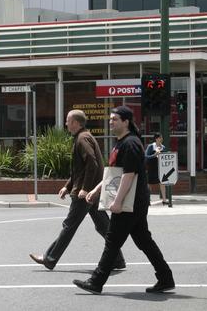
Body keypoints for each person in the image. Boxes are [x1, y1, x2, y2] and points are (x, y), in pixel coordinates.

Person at [73, 106, 174, 294]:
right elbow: (114, 174)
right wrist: (96, 189)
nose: (111, 122)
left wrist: (118, 202)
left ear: (126, 122)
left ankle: (96, 281)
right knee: (143, 240)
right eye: (110, 119)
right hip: (132, 200)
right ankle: (166, 278)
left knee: (113, 240)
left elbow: (129, 175)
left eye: (115, 119)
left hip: (132, 201)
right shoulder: (120, 143)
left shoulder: (131, 143)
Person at [29, 110, 126, 270]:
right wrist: (67, 186)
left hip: (85, 193)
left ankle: (49, 258)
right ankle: (117, 260)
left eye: (68, 120)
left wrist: (85, 189)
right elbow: (79, 170)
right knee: (103, 226)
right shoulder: (82, 137)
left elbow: (92, 164)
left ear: (76, 123)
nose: (66, 123)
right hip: (90, 193)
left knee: (69, 226)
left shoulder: (82, 139)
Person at [145, 132, 167, 205]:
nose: (162, 139)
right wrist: (154, 155)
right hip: (152, 167)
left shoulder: (163, 147)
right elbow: (146, 156)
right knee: (150, 184)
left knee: (162, 183)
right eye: (160, 137)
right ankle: (148, 200)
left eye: (162, 137)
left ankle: (164, 200)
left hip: (160, 168)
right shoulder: (151, 146)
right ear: (156, 138)